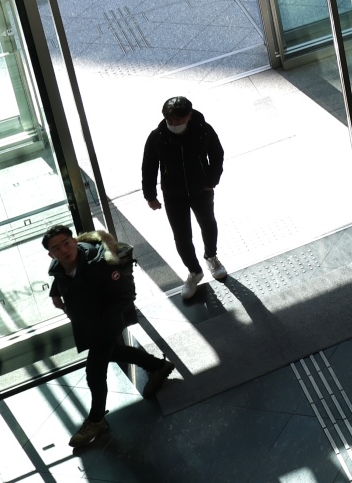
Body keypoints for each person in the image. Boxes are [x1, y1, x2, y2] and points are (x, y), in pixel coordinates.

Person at [43, 223, 175, 447]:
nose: (64, 250)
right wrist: (56, 293)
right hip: (88, 323)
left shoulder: (100, 264)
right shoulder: (58, 265)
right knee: (114, 352)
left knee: (94, 372)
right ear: (51, 254)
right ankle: (158, 366)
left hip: (106, 323)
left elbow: (126, 294)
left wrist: (104, 321)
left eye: (66, 243)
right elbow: (61, 276)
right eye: (56, 248)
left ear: (74, 241)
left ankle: (96, 420)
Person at [141, 96, 227, 298]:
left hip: (201, 190)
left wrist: (211, 181)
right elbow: (149, 167)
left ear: (189, 116)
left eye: (178, 120)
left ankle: (211, 256)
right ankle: (194, 271)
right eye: (170, 120)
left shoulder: (203, 130)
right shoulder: (157, 137)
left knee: (208, 224)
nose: (174, 124)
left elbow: (217, 154)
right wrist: (150, 196)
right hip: (174, 194)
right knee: (181, 236)